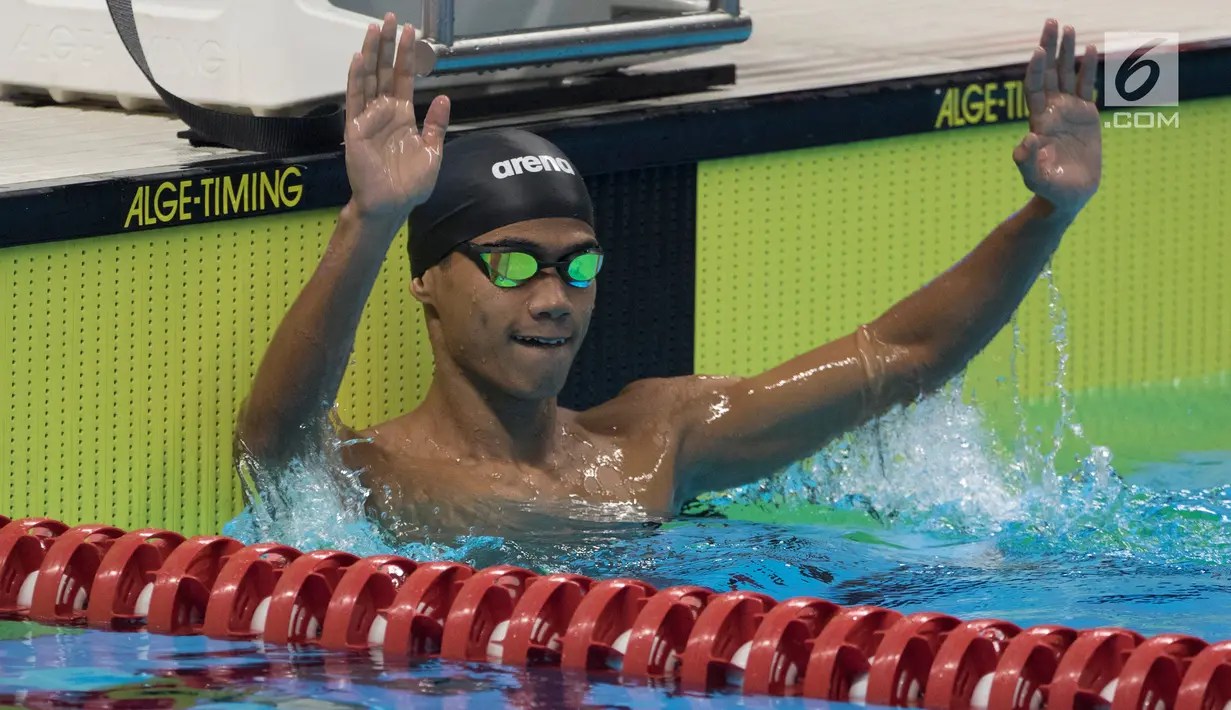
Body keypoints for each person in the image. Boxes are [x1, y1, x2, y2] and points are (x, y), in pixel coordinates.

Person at [235, 13, 1102, 534]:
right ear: (426, 278)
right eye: (511, 265)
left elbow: (898, 359)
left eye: (578, 266)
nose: (552, 298)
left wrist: (1046, 216)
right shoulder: (378, 474)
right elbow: (271, 446)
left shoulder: (655, 440)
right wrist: (373, 218)